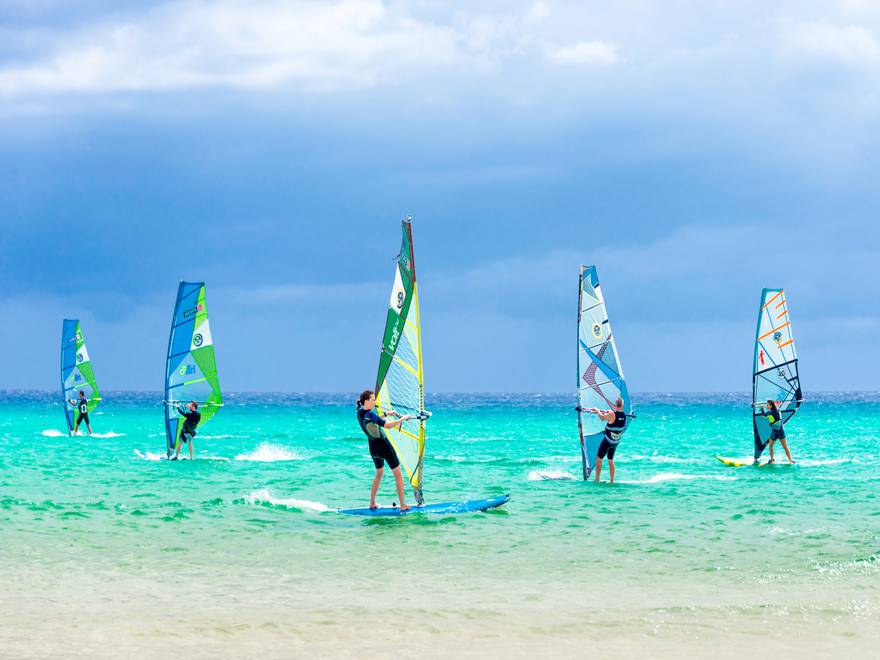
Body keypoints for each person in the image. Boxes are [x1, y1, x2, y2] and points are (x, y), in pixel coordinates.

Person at [356, 389, 414, 510]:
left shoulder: (360, 412)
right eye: (372, 400)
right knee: (398, 475)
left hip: (373, 448)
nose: (374, 402)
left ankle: (372, 503)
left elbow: (373, 419)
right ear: (366, 402)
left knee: (379, 474)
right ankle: (403, 505)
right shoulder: (370, 414)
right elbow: (386, 425)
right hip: (384, 447)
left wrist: (387, 414)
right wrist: (403, 419)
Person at [586, 397, 628, 483]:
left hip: (608, 441)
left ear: (615, 405)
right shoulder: (624, 415)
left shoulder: (612, 414)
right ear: (622, 406)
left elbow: (602, 418)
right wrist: (609, 412)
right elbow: (613, 417)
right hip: (615, 442)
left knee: (599, 459)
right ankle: (612, 480)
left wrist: (597, 410)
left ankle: (597, 479)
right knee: (610, 460)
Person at [759, 399, 794, 464]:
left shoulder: (769, 412)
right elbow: (775, 408)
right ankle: (790, 460)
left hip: (774, 432)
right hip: (781, 431)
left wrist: (761, 408)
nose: (766, 406)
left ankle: (772, 460)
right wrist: (775, 404)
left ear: (770, 405)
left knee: (771, 446)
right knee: (785, 447)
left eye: (767, 405)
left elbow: (763, 416)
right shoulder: (778, 410)